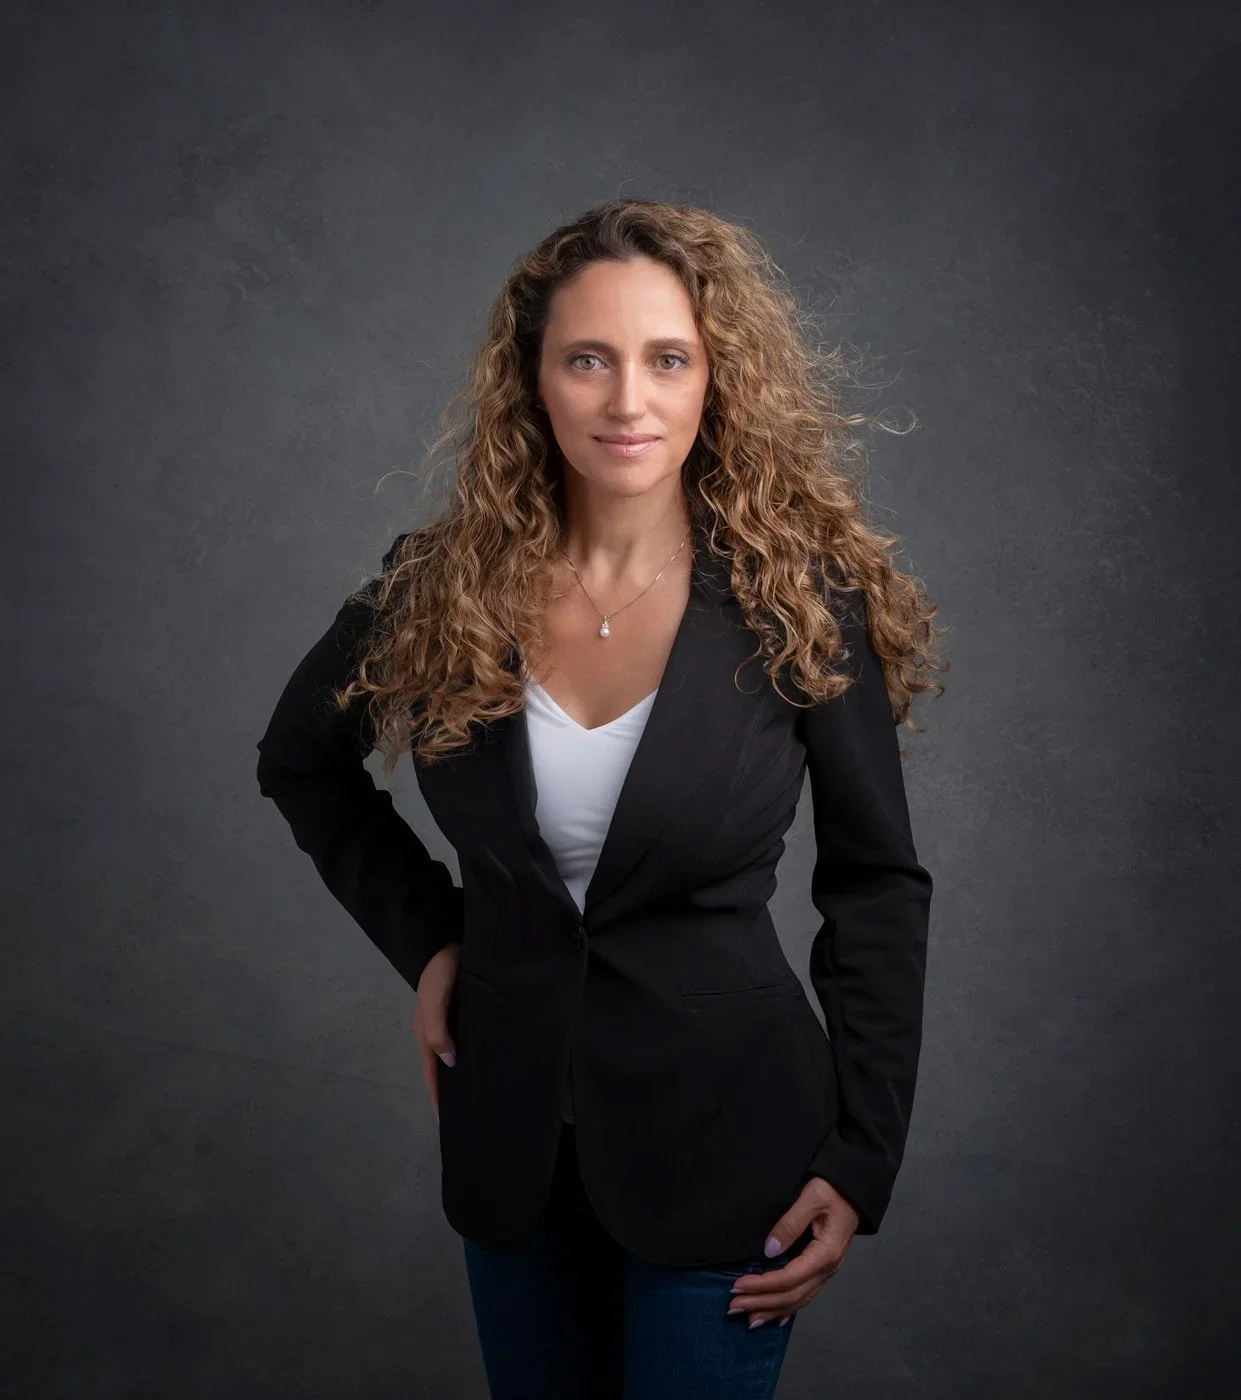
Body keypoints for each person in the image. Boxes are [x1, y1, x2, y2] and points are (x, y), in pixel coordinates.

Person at [255, 198, 945, 1399]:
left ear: (714, 381)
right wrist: (431, 941)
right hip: (513, 1150)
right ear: (533, 380)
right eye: (588, 359)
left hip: (736, 1151)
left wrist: (863, 1154)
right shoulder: (437, 586)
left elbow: (876, 883)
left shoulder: (800, 603)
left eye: (666, 358)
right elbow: (300, 761)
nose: (627, 400)